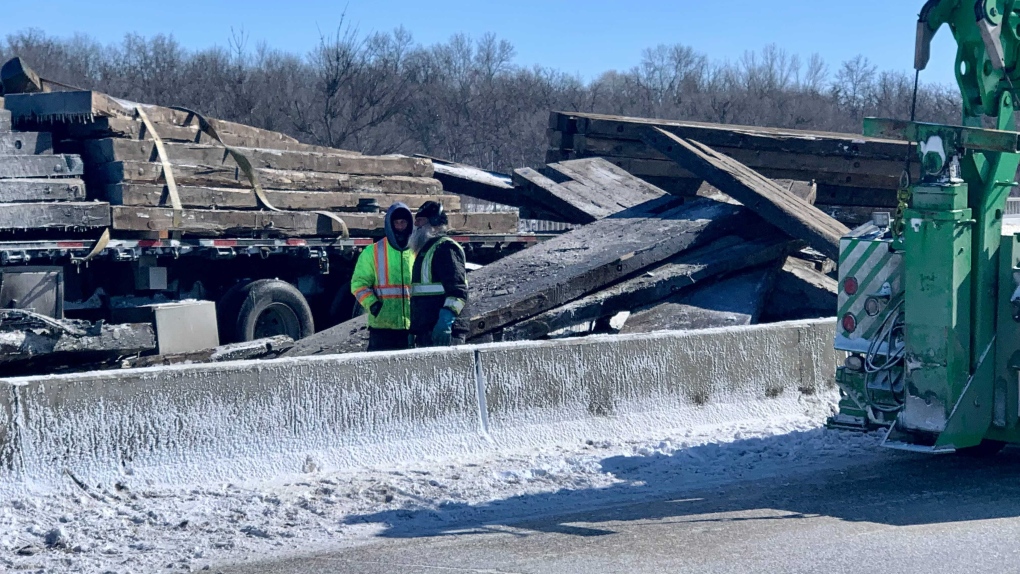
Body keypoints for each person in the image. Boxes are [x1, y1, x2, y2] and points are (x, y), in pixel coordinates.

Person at [350, 203, 414, 351]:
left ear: (409, 224)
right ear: (389, 225)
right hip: (382, 328)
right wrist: (372, 304)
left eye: (403, 222)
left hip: (412, 327)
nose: (399, 227)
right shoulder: (372, 252)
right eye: (396, 223)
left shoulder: (418, 250)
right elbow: (358, 284)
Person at [409, 201, 468, 347]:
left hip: (445, 331)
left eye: (420, 220)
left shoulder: (445, 248)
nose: (416, 225)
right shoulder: (426, 250)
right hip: (428, 329)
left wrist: (446, 320)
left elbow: (457, 290)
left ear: (433, 223)